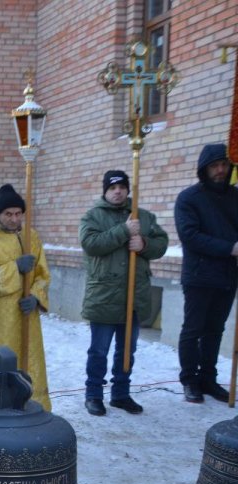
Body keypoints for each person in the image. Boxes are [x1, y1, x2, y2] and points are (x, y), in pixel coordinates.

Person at [79, 170, 169, 416]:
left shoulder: (144, 217)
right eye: (112, 187)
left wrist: (144, 244)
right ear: (105, 191)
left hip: (133, 296)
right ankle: (94, 394)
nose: (117, 191)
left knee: (127, 350)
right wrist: (124, 231)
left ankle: (121, 394)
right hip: (104, 296)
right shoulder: (93, 217)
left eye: (122, 187)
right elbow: (91, 244)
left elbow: (162, 243)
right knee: (99, 350)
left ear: (128, 189)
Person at [0, 183, 52, 410]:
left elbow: (43, 274)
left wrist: (36, 297)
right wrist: (15, 267)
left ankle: (32, 404)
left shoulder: (31, 238)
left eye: (18, 214)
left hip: (27, 315)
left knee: (29, 358)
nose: (14, 219)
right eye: (8, 214)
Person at [174, 143, 238, 403]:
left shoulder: (236, 197)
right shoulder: (189, 198)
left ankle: (209, 379)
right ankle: (190, 380)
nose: (220, 170)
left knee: (215, 329)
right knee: (193, 329)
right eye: (214, 165)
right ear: (204, 169)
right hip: (199, 276)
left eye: (224, 164)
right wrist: (230, 248)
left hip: (228, 276)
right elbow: (190, 236)